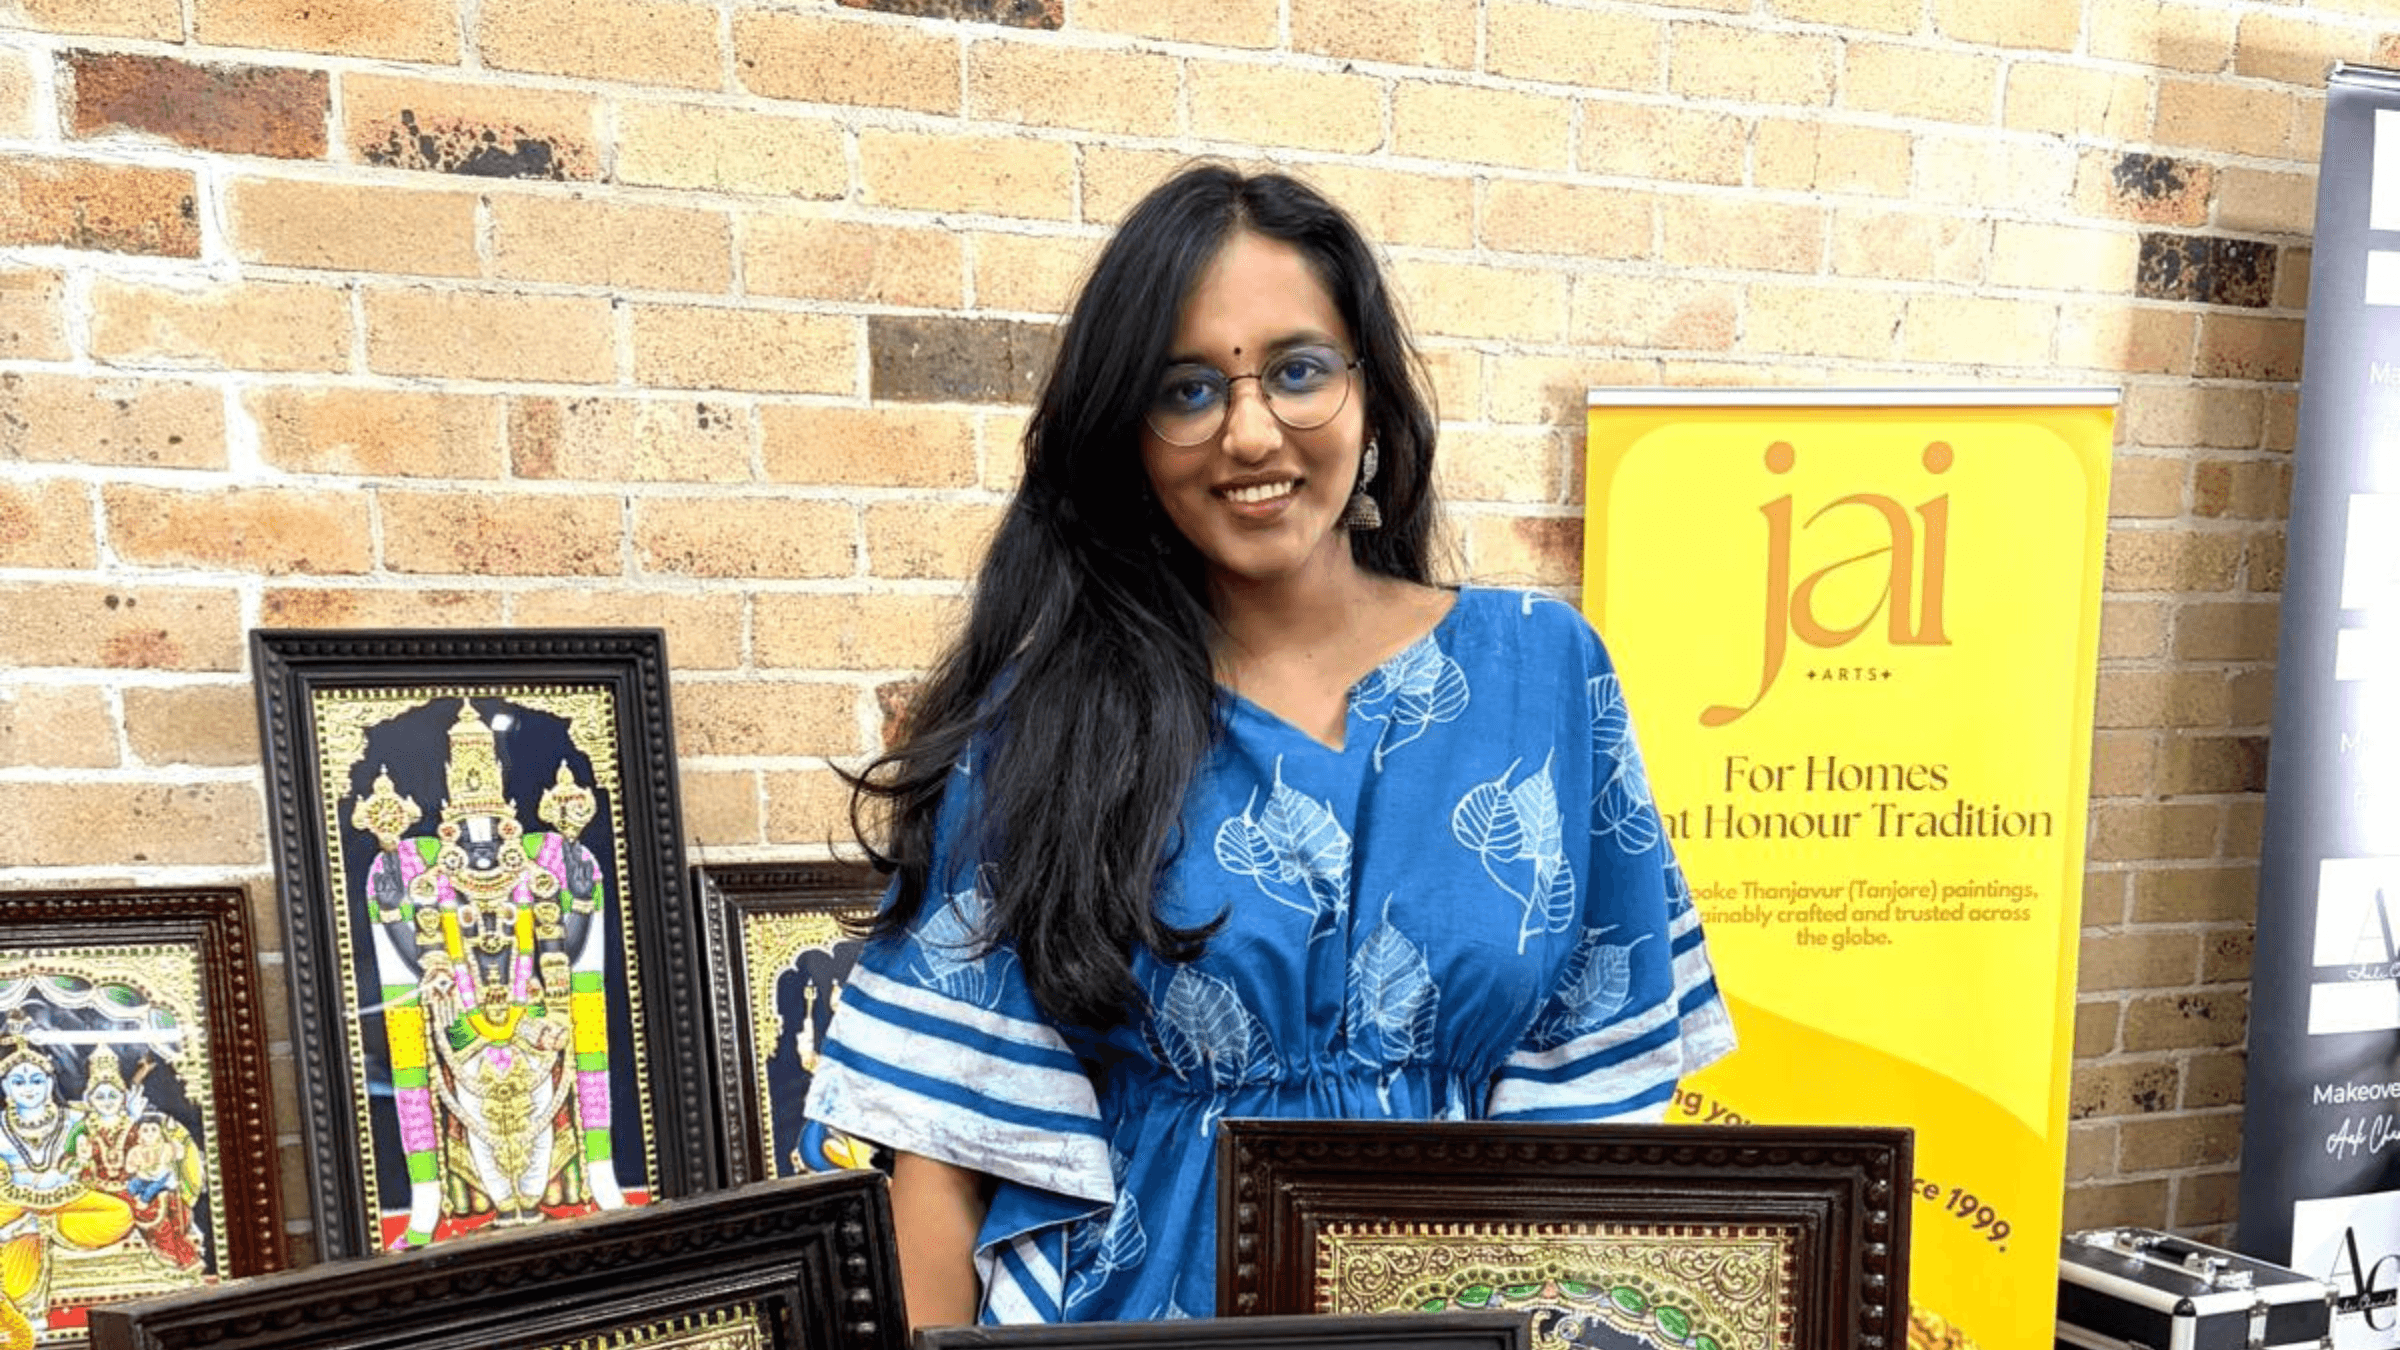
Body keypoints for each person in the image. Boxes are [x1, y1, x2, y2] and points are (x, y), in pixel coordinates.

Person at [802, 163, 1734, 1329]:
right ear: (1128, 438)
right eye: (1187, 391)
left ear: (1371, 392)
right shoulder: (1051, 723)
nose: (1248, 433)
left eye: (1297, 372)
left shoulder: (1545, 675)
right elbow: (939, 1153)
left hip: (1466, 1319)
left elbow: (1602, 1119)